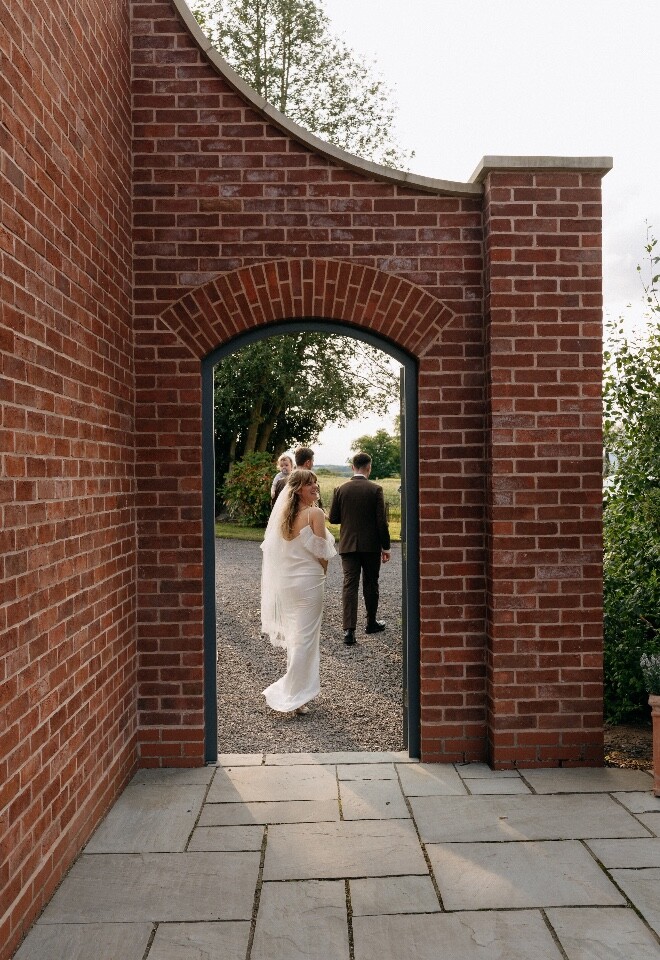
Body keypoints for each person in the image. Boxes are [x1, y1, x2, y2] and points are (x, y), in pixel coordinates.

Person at [261, 468, 336, 714]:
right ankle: (294, 694)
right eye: (309, 484)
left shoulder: (284, 516)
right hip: (309, 583)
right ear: (298, 489)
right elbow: (322, 552)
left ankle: (299, 695)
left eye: (315, 482)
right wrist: (323, 573)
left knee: (297, 636)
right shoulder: (315, 513)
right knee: (306, 638)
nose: (315, 486)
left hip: (288, 584)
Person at [328, 452, 391, 646]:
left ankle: (349, 631)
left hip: (348, 545)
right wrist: (386, 547)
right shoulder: (375, 489)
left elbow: (334, 518)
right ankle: (371, 623)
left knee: (350, 584)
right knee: (371, 583)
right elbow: (382, 522)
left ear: (352, 467)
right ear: (369, 468)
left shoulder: (340, 489)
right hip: (371, 546)